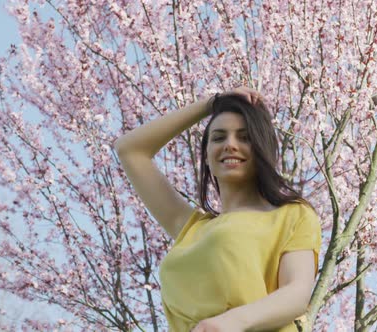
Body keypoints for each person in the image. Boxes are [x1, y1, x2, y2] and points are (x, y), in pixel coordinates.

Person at [114, 86, 322, 332]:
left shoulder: (291, 215)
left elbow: (297, 294)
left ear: (261, 149)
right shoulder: (191, 227)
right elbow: (130, 150)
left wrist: (231, 322)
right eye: (219, 137)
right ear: (206, 154)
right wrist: (211, 103)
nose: (230, 145)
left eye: (244, 137)